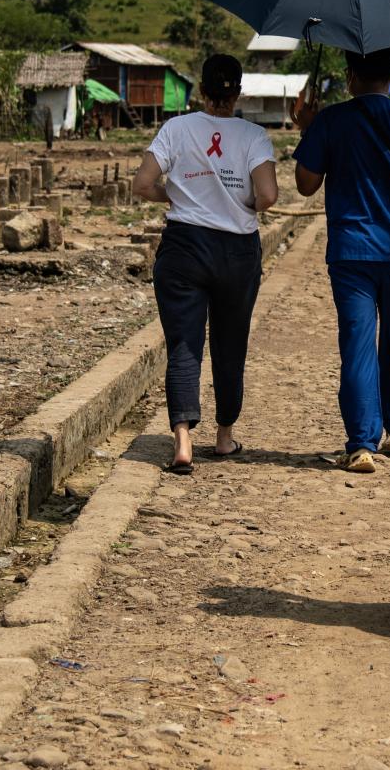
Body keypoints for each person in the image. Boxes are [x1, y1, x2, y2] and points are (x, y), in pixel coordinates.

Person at [292, 48, 390, 473]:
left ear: (350, 75)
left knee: (357, 343)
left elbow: (305, 185)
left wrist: (308, 128)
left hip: (350, 250)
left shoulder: (331, 120)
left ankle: (360, 444)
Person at [131, 54, 279, 475]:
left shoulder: (176, 129)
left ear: (200, 92)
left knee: (184, 344)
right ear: (239, 93)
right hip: (237, 251)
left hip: (184, 249)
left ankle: (182, 441)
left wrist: (173, 196)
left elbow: (142, 184)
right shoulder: (254, 135)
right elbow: (267, 195)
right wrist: (244, 202)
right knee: (230, 345)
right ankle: (224, 436)